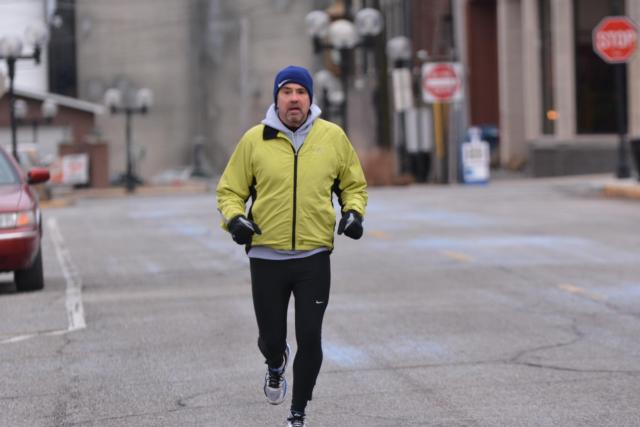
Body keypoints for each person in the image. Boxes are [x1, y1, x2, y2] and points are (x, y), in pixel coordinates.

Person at [216, 65, 367, 427]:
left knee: (311, 337)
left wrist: (353, 214)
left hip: (313, 257)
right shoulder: (255, 139)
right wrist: (235, 220)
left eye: (301, 91)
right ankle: (274, 362)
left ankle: (297, 413)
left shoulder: (332, 137)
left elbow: (353, 185)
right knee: (271, 337)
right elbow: (230, 190)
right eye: (287, 92)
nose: (294, 98)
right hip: (266, 255)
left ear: (311, 98)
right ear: (277, 98)